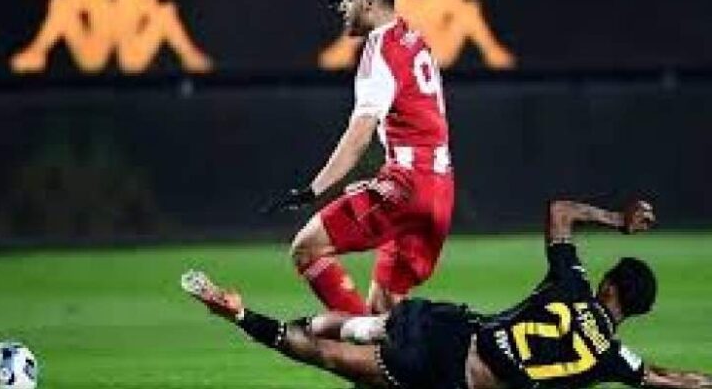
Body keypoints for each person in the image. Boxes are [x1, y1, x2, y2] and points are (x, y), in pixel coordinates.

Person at [184, 199, 712, 389]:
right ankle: (241, 315)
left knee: (347, 328)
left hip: (450, 325)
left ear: (607, 285)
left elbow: (559, 211)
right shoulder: (613, 359)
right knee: (329, 358)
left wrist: (617, 219)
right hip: (447, 374)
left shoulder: (573, 285)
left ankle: (329, 322)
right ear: (636, 310)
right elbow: (670, 380)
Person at [264, 0, 454, 315]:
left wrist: (314, 190)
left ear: (369, 2)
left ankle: (353, 336)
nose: (343, 7)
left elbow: (360, 134)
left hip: (407, 186)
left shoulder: (380, 53)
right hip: (440, 189)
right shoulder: (411, 38)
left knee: (306, 249)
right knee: (385, 312)